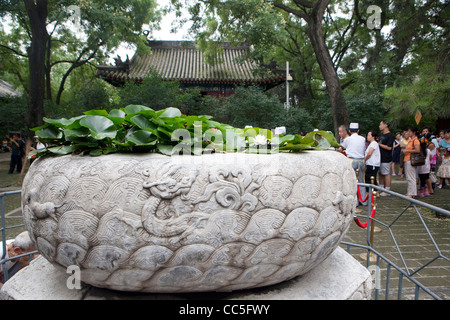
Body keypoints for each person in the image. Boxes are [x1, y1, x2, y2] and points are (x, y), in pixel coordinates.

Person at [342, 122, 366, 204]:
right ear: (358, 131)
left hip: (351, 160)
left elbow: (342, 148)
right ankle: (363, 200)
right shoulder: (363, 139)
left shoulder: (347, 139)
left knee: (351, 181)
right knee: (361, 180)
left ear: (349, 131)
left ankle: (354, 201)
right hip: (361, 161)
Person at [402, 126, 421, 198]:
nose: (408, 133)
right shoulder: (411, 140)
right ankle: (409, 192)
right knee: (409, 176)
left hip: (411, 159)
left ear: (414, 132)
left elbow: (417, 150)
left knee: (411, 177)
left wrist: (407, 151)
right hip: (407, 159)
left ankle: (412, 193)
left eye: (410, 131)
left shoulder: (415, 140)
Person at [378, 121, 395, 196]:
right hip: (380, 157)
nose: (379, 126)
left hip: (386, 157)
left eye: (381, 124)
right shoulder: (381, 135)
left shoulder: (390, 135)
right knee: (380, 173)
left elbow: (389, 148)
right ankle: (381, 187)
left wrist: (380, 145)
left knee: (386, 173)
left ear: (386, 125)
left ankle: (387, 189)